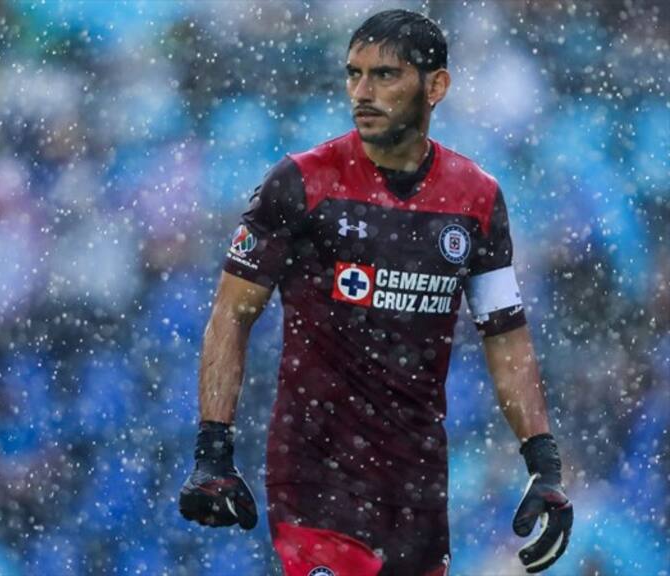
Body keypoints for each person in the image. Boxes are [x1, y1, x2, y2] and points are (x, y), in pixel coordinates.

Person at [179, 9, 572, 576]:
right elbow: (231, 314)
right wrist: (213, 447)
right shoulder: (300, 183)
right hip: (316, 473)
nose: (362, 92)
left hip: (417, 486)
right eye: (353, 74)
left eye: (385, 75)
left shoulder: (478, 200)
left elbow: (506, 339)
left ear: (436, 86)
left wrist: (544, 462)